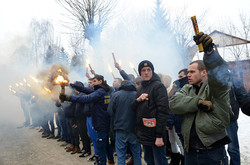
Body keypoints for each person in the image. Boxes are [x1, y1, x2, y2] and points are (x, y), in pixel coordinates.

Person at [169, 32, 231, 165]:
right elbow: (174, 103)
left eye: (192, 72)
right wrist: (198, 102)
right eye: (188, 72)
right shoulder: (187, 88)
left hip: (212, 153)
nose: (188, 75)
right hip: (190, 152)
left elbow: (220, 79)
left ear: (204, 73)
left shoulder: (214, 88)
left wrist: (210, 53)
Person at [59, 74, 114, 165]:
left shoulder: (100, 91)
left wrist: (69, 98)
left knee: (101, 145)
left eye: (94, 81)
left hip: (101, 121)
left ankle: (103, 163)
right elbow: (86, 90)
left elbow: (87, 98)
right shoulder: (101, 89)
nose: (92, 83)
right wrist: (71, 85)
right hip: (102, 120)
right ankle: (111, 161)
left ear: (100, 81)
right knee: (105, 143)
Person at [131, 60, 169, 165]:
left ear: (152, 71)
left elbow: (163, 112)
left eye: (149, 70)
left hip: (156, 134)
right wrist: (138, 100)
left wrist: (159, 136)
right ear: (140, 73)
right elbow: (133, 107)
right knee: (149, 161)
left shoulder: (158, 86)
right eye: (143, 70)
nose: (146, 72)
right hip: (144, 134)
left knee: (160, 162)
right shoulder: (141, 88)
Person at [108, 80, 141, 165]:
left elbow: (110, 112)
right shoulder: (137, 94)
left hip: (120, 128)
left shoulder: (116, 95)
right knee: (136, 154)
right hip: (135, 128)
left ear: (121, 85)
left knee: (121, 155)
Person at [167, 69, 188, 165]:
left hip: (179, 121)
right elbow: (169, 105)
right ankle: (175, 159)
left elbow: (174, 107)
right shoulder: (176, 88)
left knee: (180, 142)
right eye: (178, 76)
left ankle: (184, 160)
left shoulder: (184, 89)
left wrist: (169, 121)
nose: (179, 78)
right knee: (172, 141)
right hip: (172, 121)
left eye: (181, 76)